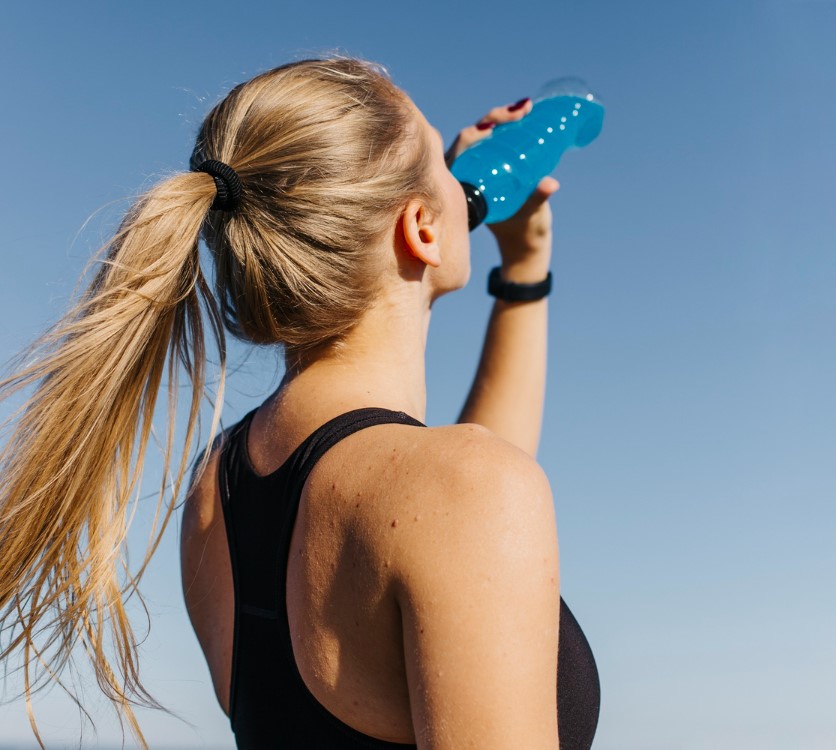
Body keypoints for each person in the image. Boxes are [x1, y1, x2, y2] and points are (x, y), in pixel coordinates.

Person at [0, 58, 599, 749]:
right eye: (442, 154)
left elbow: (462, 537)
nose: (460, 163)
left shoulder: (215, 489)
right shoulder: (460, 490)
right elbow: (460, 505)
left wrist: (522, 272)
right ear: (423, 231)